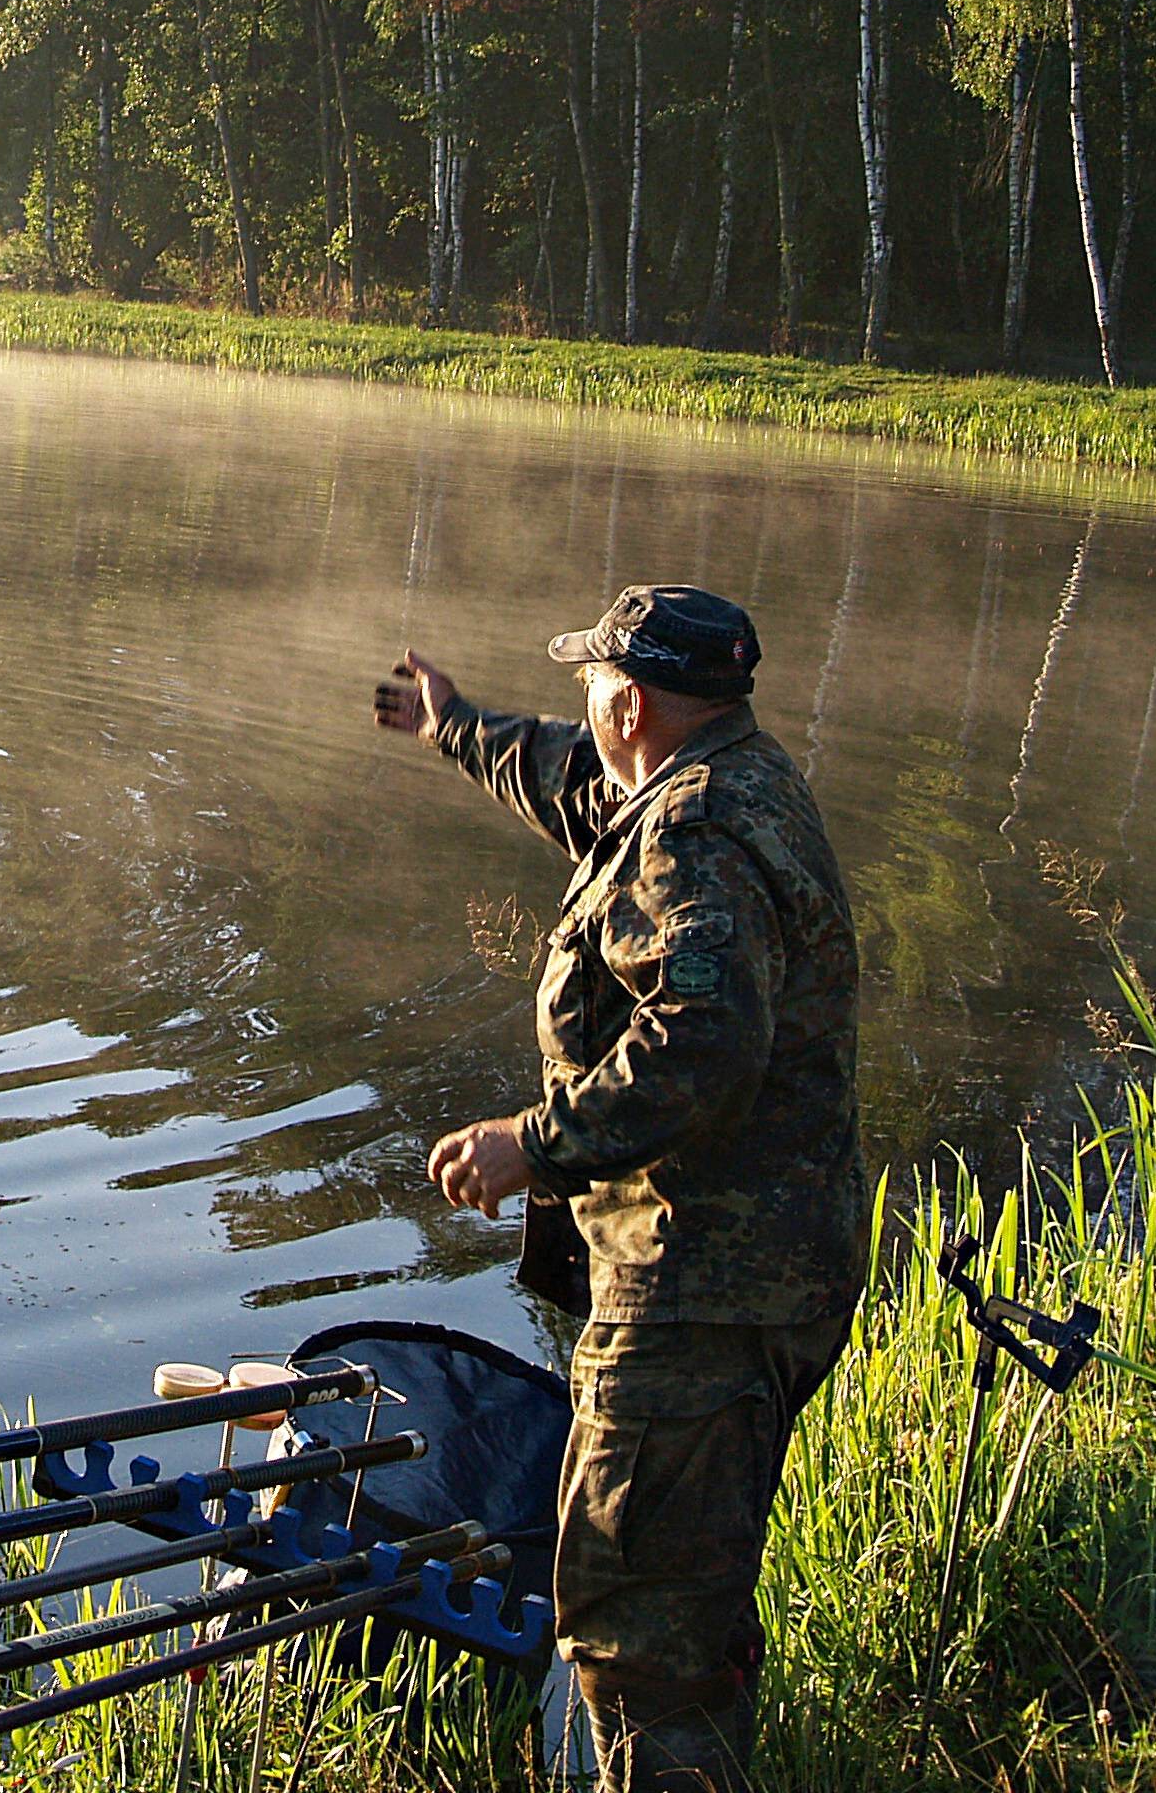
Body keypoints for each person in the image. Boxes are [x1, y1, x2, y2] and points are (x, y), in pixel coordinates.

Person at [372, 583, 865, 1793]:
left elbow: (705, 1038)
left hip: (699, 1291)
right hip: (761, 1277)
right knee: (684, 1598)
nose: (582, 700)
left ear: (632, 703)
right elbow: (580, 789)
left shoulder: (696, 838)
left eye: (593, 682)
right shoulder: (726, 782)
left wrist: (531, 1144)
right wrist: (454, 726)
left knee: (636, 1624)